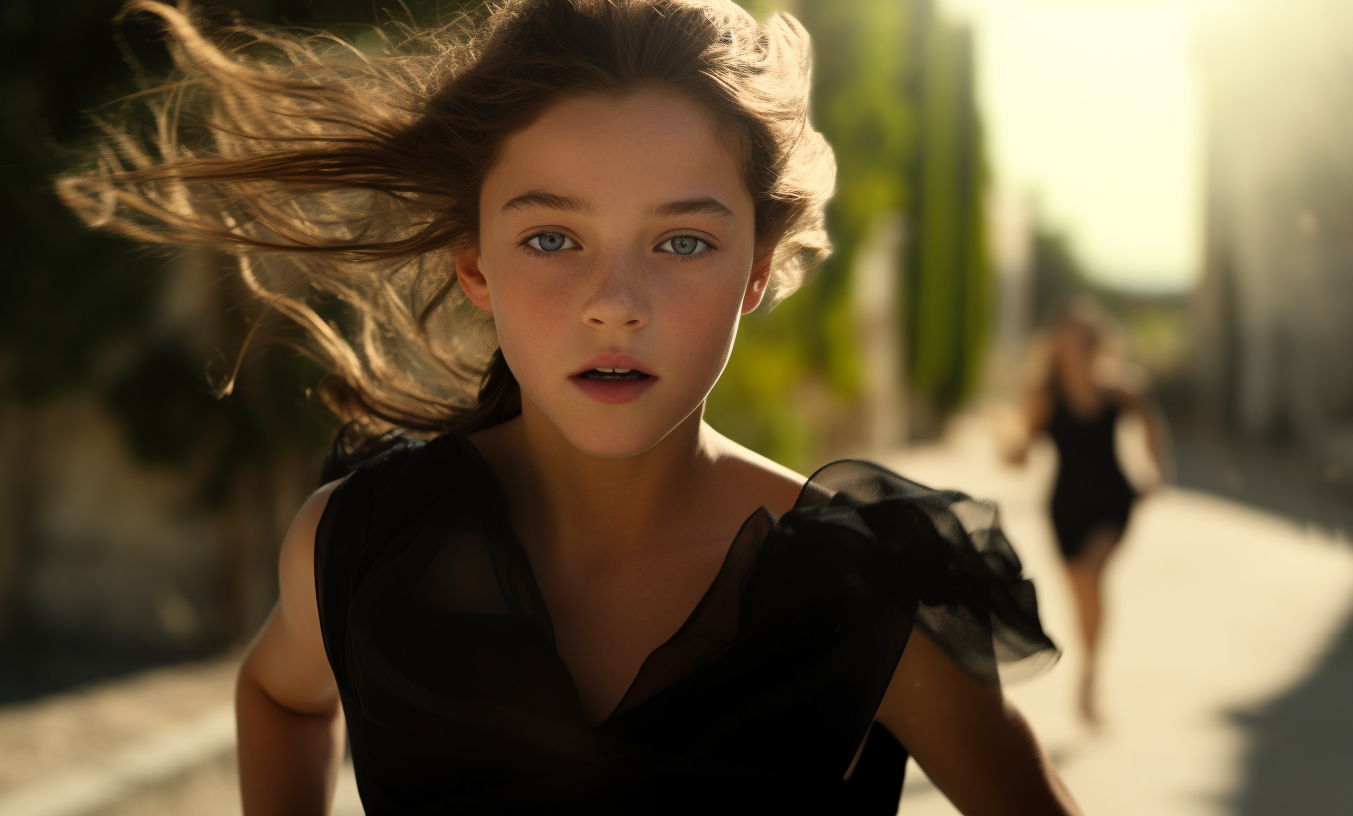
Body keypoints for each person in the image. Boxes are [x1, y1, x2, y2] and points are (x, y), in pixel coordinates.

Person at [59, 1, 1081, 812]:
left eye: (683, 242)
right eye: (552, 238)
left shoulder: (868, 595)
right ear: (475, 265)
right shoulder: (359, 542)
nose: (614, 305)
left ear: (757, 271)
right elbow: (279, 696)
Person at [1006, 301, 1168, 728]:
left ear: (1096, 342)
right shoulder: (1044, 395)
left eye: (1085, 337)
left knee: (1093, 575)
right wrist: (1014, 451)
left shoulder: (1123, 388)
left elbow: (1152, 429)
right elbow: (1021, 450)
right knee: (1080, 592)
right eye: (1069, 336)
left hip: (1113, 500)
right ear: (1057, 344)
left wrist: (1157, 471)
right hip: (1065, 506)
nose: (1076, 345)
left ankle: (1090, 681)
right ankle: (1090, 667)